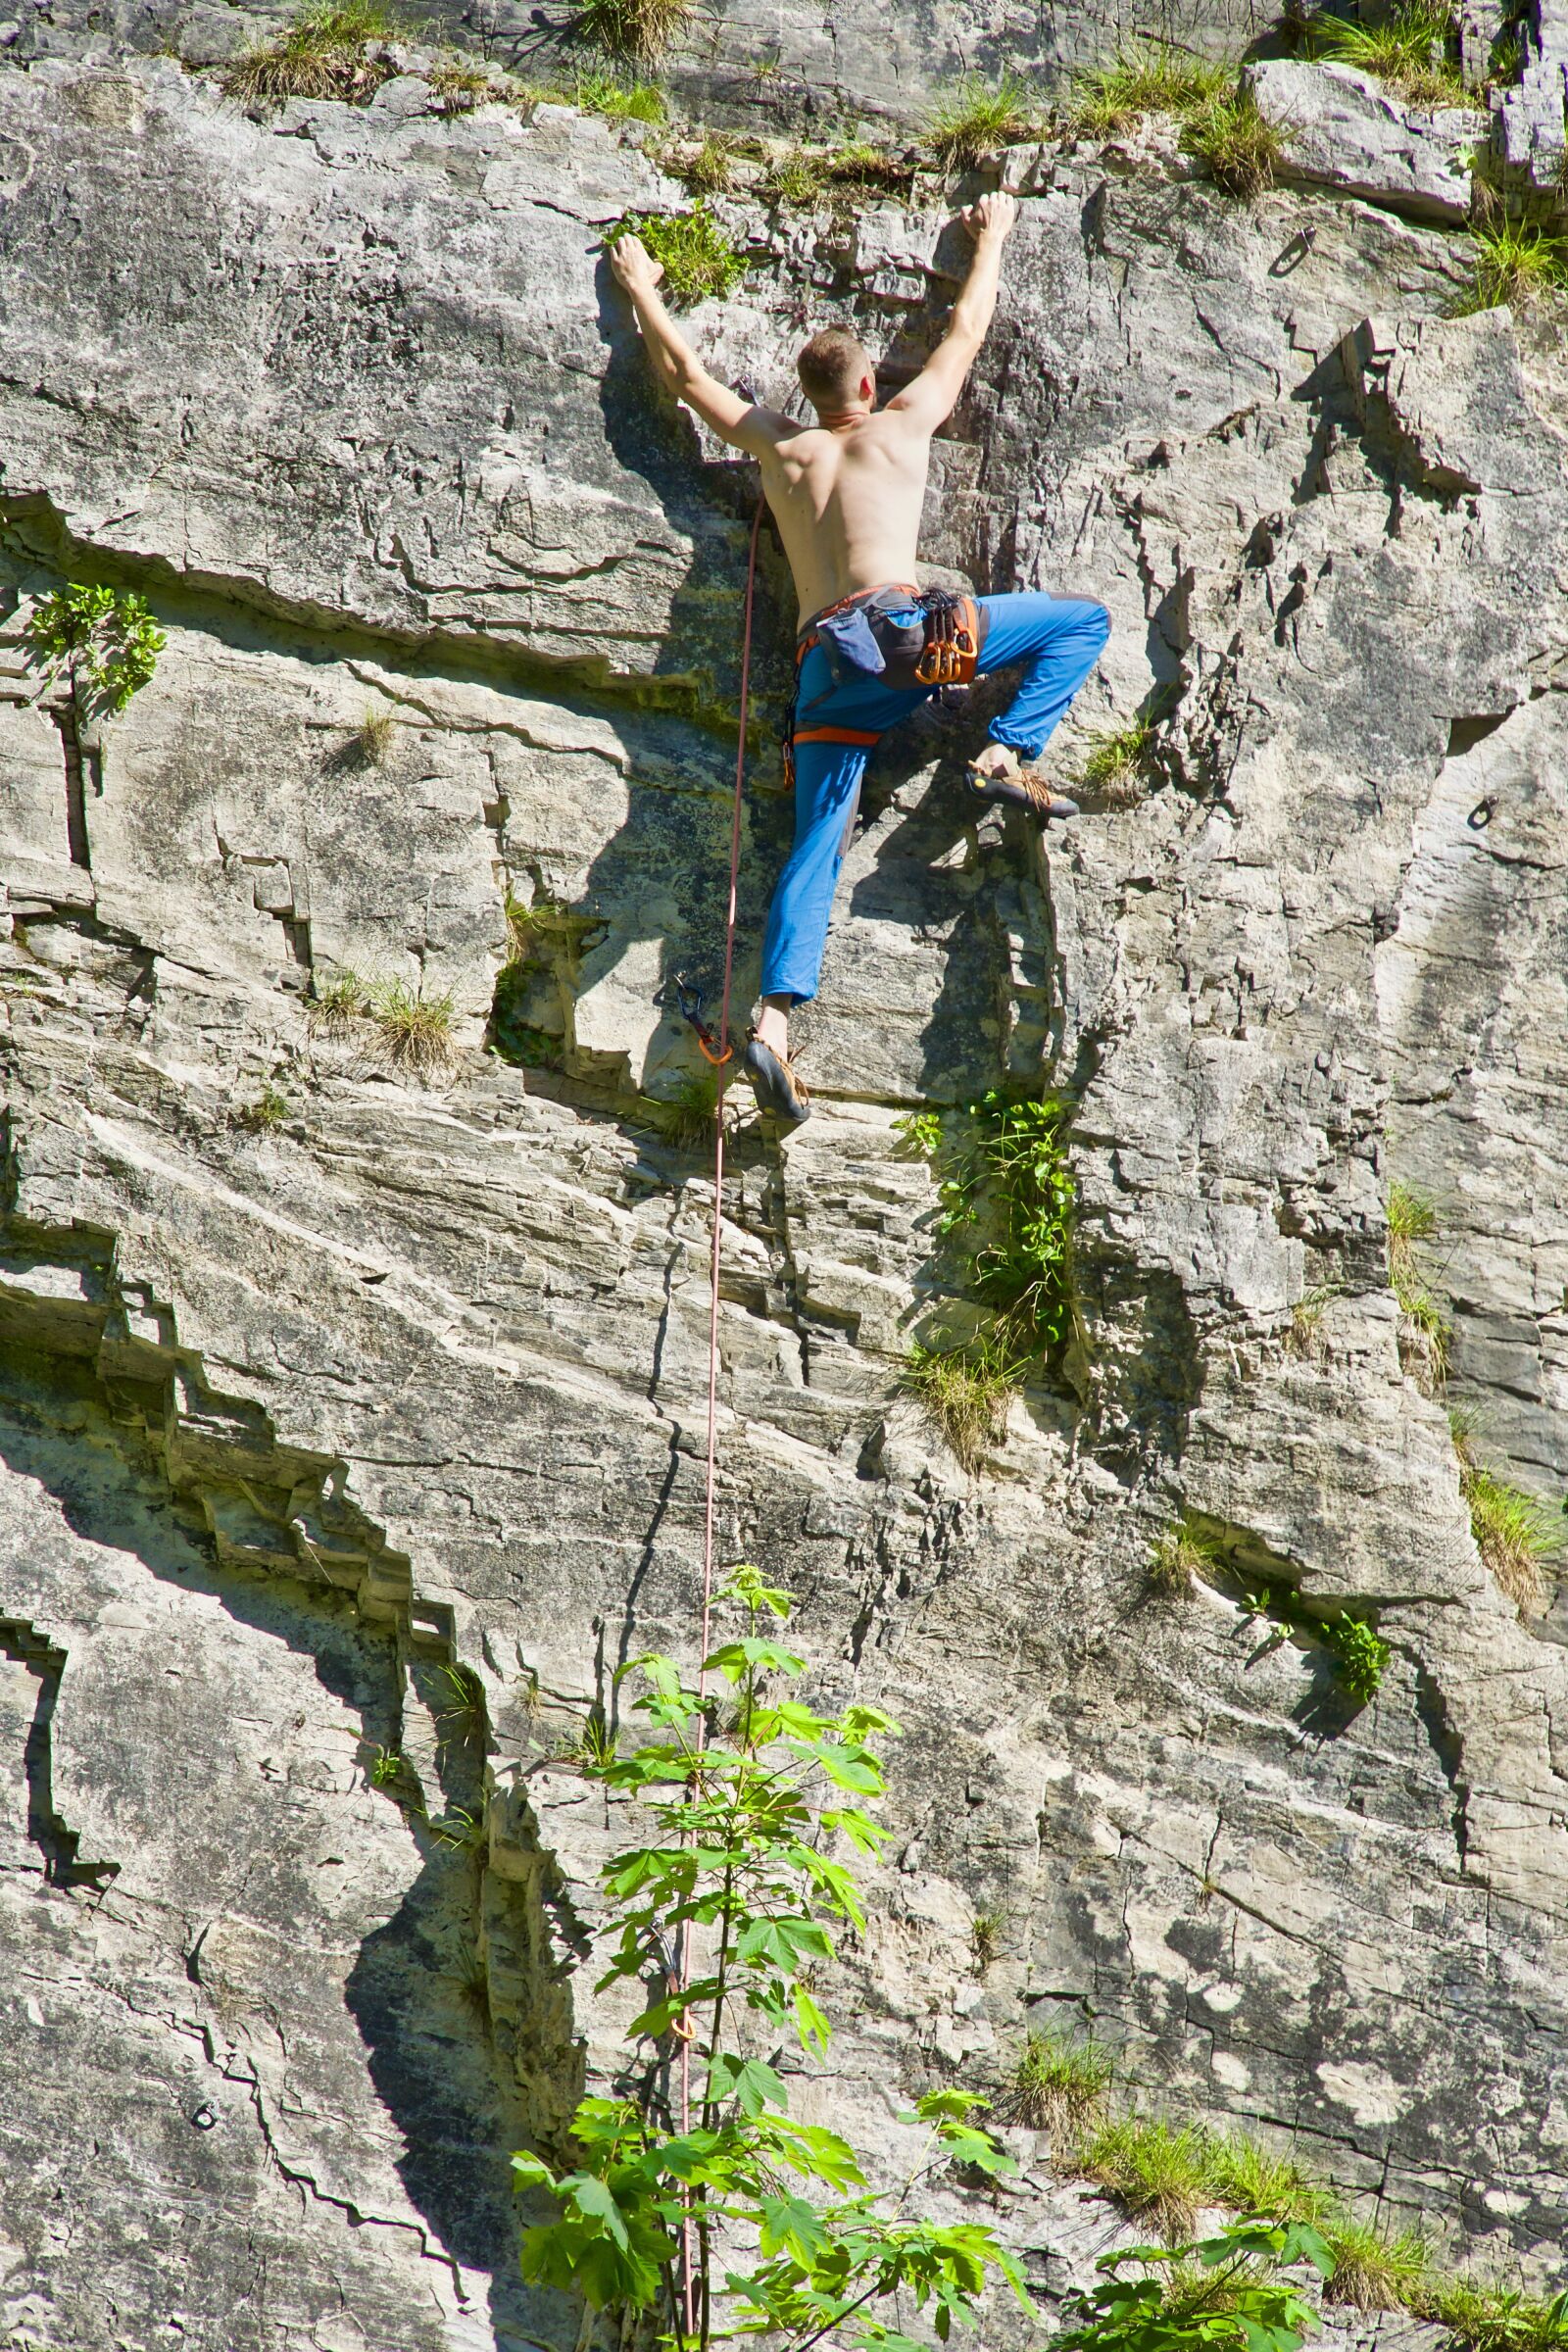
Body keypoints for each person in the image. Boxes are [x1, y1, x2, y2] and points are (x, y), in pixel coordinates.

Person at [609, 191, 1109, 1126]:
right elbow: (964, 333)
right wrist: (990, 235)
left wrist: (641, 285)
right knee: (1079, 622)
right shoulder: (901, 425)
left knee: (812, 850)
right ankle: (1005, 751)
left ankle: (774, 1023)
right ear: (869, 387)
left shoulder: (778, 445)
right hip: (910, 641)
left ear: (807, 399)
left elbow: (682, 376)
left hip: (823, 668)